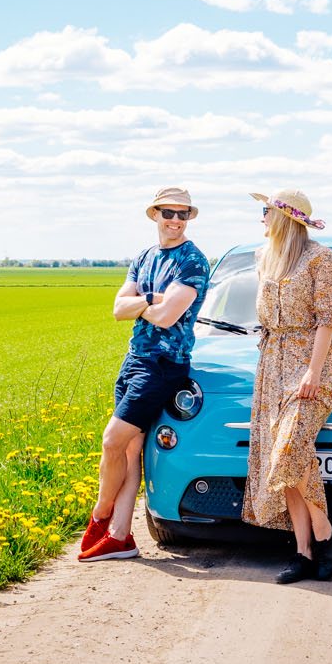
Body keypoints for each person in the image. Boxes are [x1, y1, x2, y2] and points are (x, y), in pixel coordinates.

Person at [78, 187, 210, 562]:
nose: (175, 220)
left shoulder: (193, 261)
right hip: (134, 359)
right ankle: (121, 537)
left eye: (182, 214)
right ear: (155, 214)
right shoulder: (145, 256)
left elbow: (169, 318)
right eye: (169, 212)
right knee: (130, 448)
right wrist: (153, 299)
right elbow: (119, 309)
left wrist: (146, 305)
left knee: (111, 441)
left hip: (163, 367)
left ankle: (100, 516)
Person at [242, 189, 332, 582]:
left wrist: (313, 372)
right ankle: (303, 553)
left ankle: (326, 533)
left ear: (284, 217)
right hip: (271, 366)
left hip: (309, 364)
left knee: (288, 450)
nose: (261, 218)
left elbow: (326, 320)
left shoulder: (322, 258)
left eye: (265, 211)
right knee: (284, 461)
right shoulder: (262, 258)